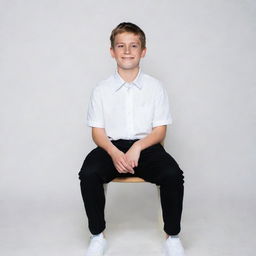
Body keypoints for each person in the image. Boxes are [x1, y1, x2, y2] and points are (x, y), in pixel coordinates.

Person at [78, 22, 185, 256]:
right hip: (111, 146)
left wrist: (137, 146)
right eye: (121, 46)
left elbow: (159, 131)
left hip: (147, 147)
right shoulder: (101, 89)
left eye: (133, 45)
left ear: (143, 51)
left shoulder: (155, 87)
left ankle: (172, 236)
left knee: (173, 175)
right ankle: (97, 235)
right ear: (112, 51)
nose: (127, 51)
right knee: (88, 174)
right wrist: (114, 152)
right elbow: (97, 132)